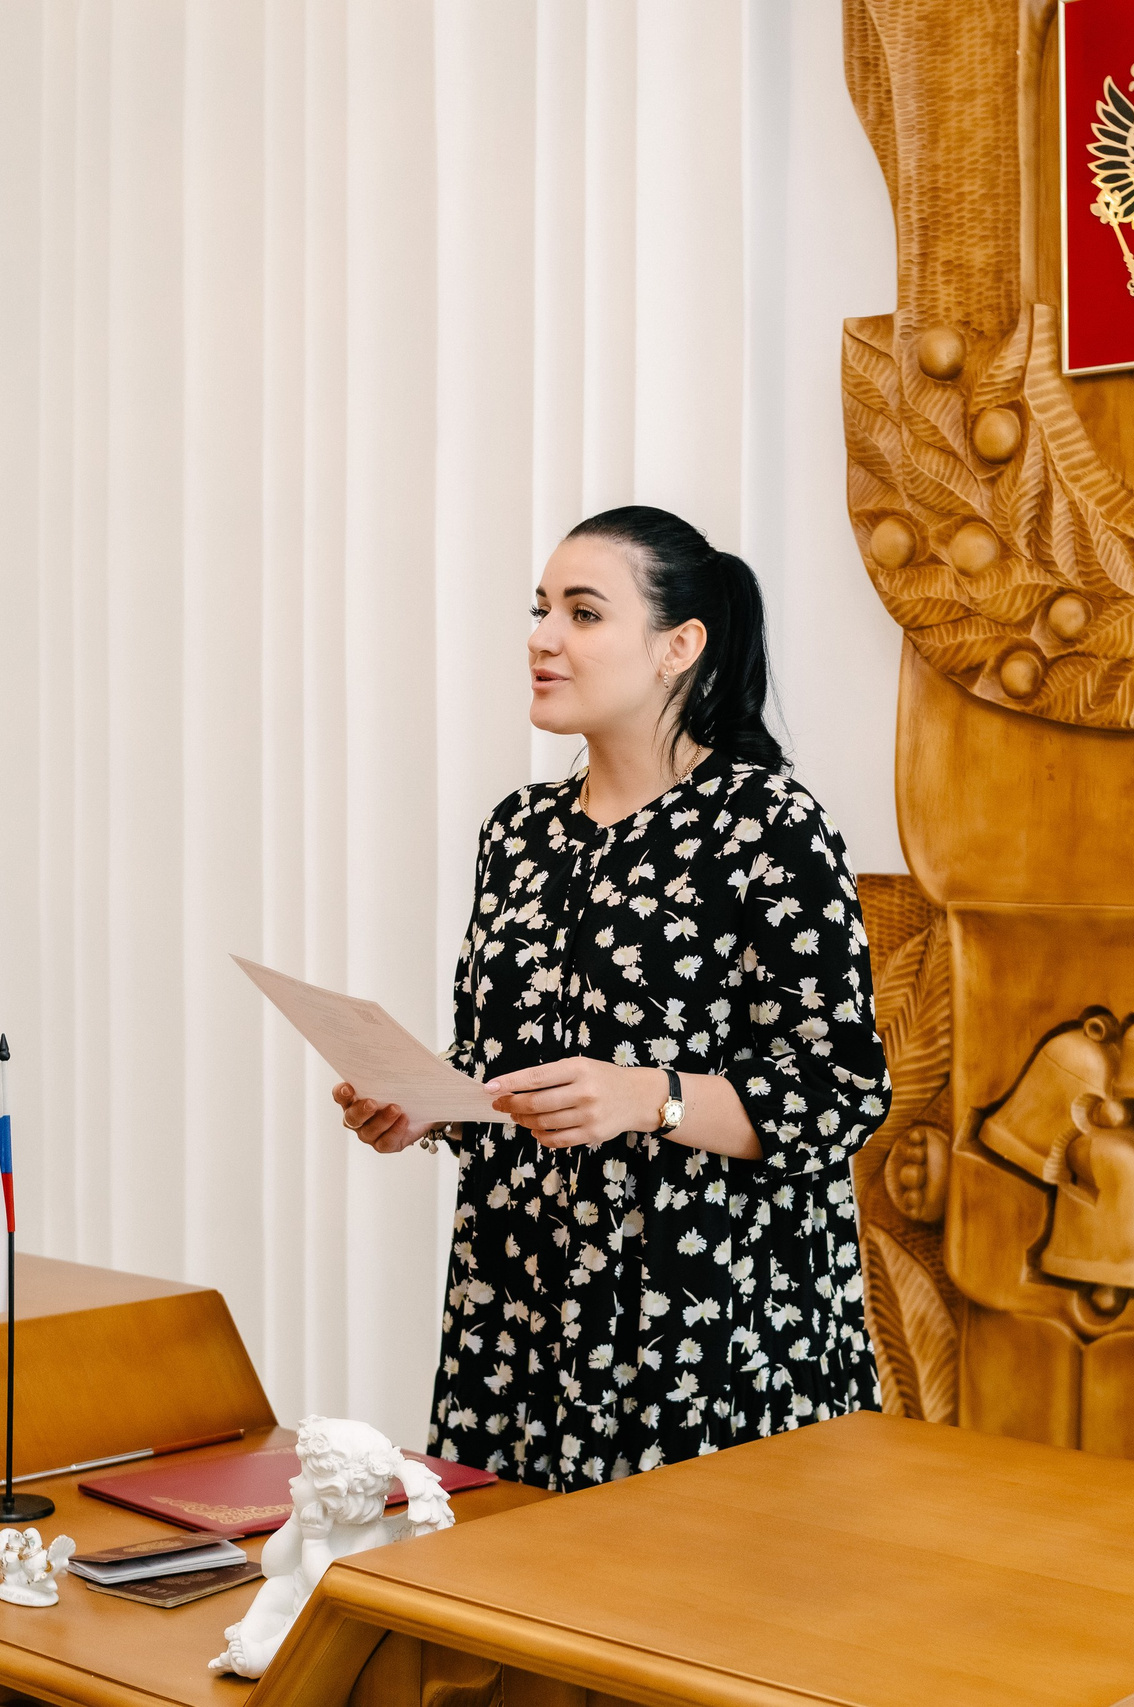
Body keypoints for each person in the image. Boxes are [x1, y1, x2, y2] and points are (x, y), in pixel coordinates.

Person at [331, 505, 888, 1490]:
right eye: (541, 609)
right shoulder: (517, 832)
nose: (542, 638)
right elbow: (505, 1074)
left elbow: (841, 1091)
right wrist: (426, 1107)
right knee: (503, 1615)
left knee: (687, 1616)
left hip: (707, 1331)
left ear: (680, 646)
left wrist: (649, 1096)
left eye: (583, 614)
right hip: (517, 1317)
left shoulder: (766, 823)